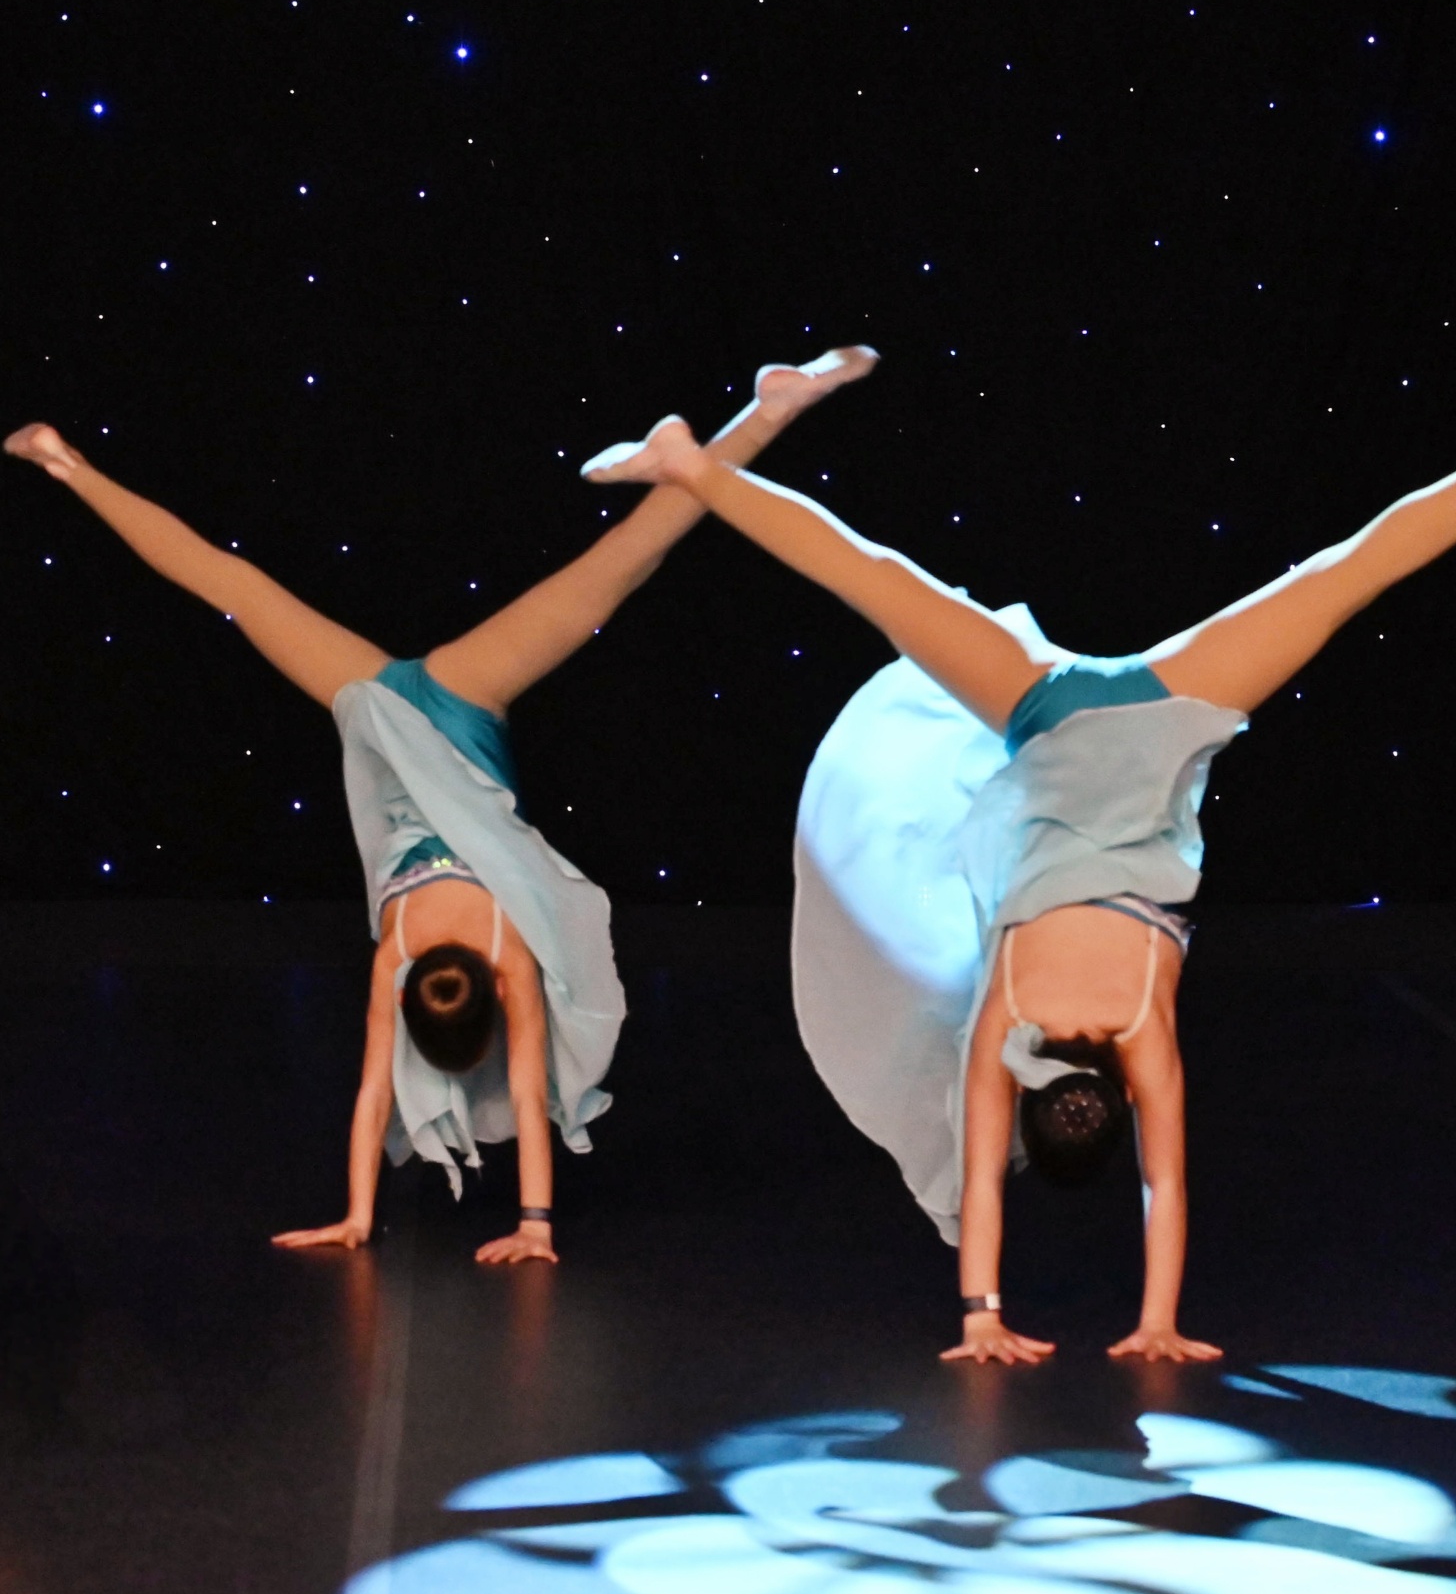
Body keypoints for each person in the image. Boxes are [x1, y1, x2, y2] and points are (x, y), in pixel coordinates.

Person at [583, 397, 1456, 1353]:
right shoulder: (1008, 1013)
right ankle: (695, 464)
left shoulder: (1142, 1024)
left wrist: (1156, 1322)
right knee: (875, 579)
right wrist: (980, 1313)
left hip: (1160, 713)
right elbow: (989, 1170)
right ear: (1035, 1095)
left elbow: (1164, 1182)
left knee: (1343, 577)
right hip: (1047, 712)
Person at [5, 346, 876, 1264]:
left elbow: (508, 1094)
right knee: (235, 586)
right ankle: (66, 464)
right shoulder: (399, 954)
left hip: (462, 699)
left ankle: (771, 411)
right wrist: (364, 1216)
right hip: (383, 705)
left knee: (621, 562)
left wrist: (530, 1224)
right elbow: (373, 1093)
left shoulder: (507, 953)